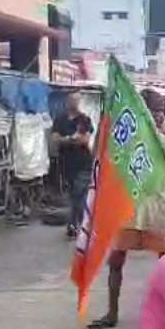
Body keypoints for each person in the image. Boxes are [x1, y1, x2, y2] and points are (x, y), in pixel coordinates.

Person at [85, 91, 165, 329]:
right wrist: (105, 121)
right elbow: (98, 154)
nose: (158, 115)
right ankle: (112, 312)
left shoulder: (160, 141)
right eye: (154, 109)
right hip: (128, 212)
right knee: (116, 261)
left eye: (160, 110)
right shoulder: (123, 140)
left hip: (156, 211)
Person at [52, 91, 94, 239]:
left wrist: (67, 140)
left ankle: (77, 225)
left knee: (78, 194)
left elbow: (84, 140)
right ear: (67, 101)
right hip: (66, 163)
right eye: (72, 100)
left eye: (77, 100)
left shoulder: (84, 120)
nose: (74, 103)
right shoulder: (60, 120)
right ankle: (77, 225)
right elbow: (55, 139)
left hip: (84, 162)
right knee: (72, 195)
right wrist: (71, 139)